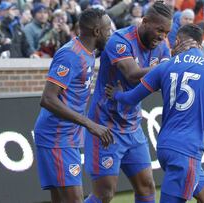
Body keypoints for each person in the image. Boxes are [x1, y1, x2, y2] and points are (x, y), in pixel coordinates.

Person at [105, 24, 204, 203]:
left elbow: (131, 98)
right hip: (187, 152)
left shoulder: (164, 67)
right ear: (200, 43)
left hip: (165, 147)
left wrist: (117, 94)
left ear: (179, 41)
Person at [83, 2, 197, 203]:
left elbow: (163, 80)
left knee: (146, 186)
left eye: (167, 32)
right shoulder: (119, 41)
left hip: (132, 126)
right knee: (105, 193)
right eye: (159, 30)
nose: (162, 36)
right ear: (144, 22)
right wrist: (170, 66)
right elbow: (132, 74)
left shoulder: (162, 47)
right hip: (106, 126)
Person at [33, 8, 113, 203]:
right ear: (96, 32)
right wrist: (89, 124)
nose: (110, 34)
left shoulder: (89, 53)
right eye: (108, 30)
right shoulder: (70, 55)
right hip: (56, 138)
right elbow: (48, 99)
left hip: (67, 136)